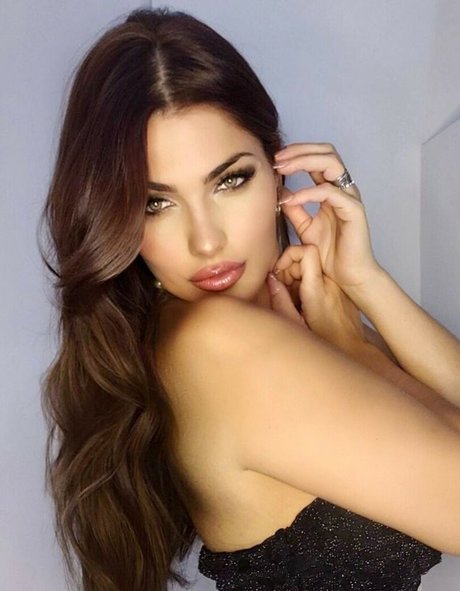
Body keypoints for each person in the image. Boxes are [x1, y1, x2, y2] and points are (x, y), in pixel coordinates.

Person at [40, 7, 460, 591]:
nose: (206, 240)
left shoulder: (281, 320)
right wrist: (353, 346)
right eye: (154, 203)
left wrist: (367, 281)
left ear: (277, 168)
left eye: (229, 181)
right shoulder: (221, 344)